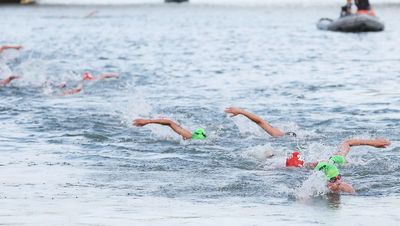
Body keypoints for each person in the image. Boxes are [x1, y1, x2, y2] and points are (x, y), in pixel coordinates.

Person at [286, 138, 391, 193]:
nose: (337, 181)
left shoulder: (337, 159)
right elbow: (348, 143)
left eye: (337, 179)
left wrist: (374, 143)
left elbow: (348, 143)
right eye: (334, 180)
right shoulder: (326, 163)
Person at [224, 107, 296, 138]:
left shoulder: (280, 136)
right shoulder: (281, 136)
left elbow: (260, 122)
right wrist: (240, 111)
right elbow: (260, 122)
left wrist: (241, 111)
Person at [133, 118, 206, 140]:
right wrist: (148, 121)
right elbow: (169, 122)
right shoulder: (188, 136)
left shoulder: (189, 136)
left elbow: (169, 123)